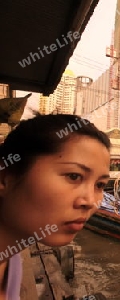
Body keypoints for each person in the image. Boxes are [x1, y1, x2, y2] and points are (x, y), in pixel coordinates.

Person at [0, 114, 111, 300]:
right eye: (74, 176)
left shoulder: (12, 261)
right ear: (4, 178)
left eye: (100, 185)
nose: (91, 201)